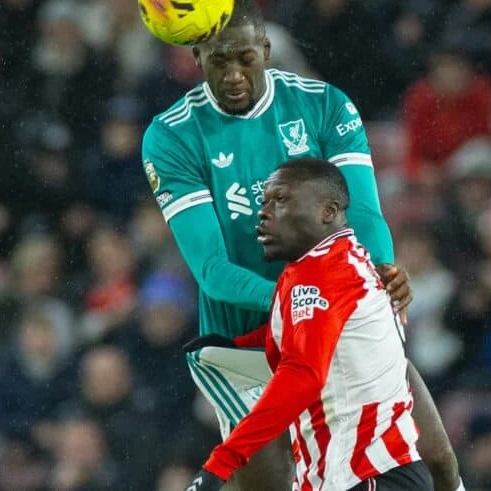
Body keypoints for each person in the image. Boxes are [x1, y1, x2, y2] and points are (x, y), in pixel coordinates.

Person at [142, 0, 459, 490]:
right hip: (246, 346)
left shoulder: (323, 105)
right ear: (196, 58)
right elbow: (212, 271)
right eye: (219, 62)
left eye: (245, 58)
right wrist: (301, 301)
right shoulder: (172, 136)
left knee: (436, 457)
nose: (233, 75)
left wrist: (380, 268)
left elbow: (364, 212)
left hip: (337, 323)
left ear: (266, 50)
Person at [184, 158, 439, 490]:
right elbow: (310, 335)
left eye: (280, 199)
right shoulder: (336, 263)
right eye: (264, 202)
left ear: (327, 211)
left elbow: (303, 374)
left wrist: (222, 463)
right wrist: (236, 345)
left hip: (368, 475)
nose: (263, 213)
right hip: (366, 474)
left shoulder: (323, 275)